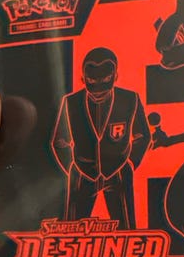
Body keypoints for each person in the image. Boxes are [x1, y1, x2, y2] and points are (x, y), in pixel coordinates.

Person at [51, 47, 151, 227]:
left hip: (118, 171)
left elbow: (143, 136)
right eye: (91, 80)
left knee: (127, 232)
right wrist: (73, 168)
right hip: (82, 174)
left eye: (105, 79)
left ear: (115, 76)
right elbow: (59, 142)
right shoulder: (70, 102)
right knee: (72, 232)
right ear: (83, 79)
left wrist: (130, 164)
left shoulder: (130, 99)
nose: (98, 87)